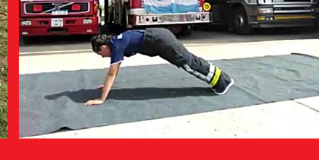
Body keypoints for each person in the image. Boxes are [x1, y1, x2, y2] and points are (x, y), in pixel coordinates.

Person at [87, 28, 235, 106]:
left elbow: (112, 73)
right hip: (159, 37)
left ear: (104, 46)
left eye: (100, 53)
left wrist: (101, 99)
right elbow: (113, 72)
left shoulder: (116, 45)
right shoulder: (116, 41)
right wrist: (106, 86)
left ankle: (223, 82)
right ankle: (222, 79)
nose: (102, 56)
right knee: (190, 61)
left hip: (161, 41)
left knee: (189, 64)